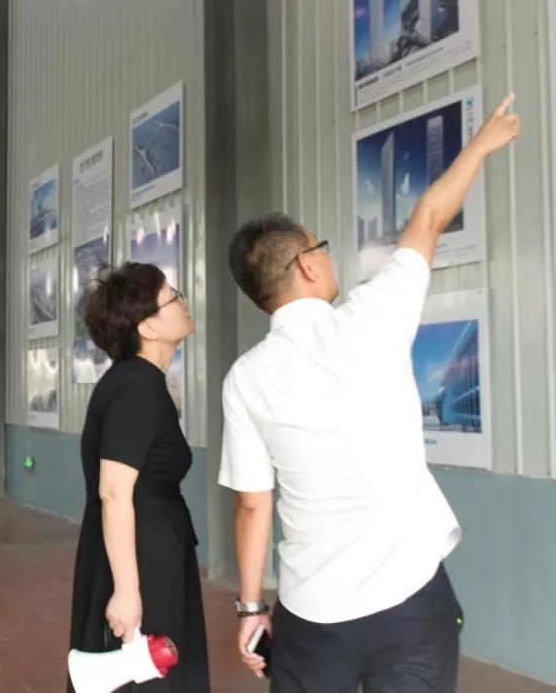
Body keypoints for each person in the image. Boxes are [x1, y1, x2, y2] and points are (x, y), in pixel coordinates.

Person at [219, 95, 520, 692]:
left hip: (311, 614)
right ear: (307, 266)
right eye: (321, 248)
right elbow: (428, 218)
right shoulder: (372, 317)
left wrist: (251, 609)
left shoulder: (245, 378)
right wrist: (482, 145)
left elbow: (254, 506)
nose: (327, 259)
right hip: (409, 602)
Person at [67, 263, 210, 693]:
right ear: (148, 326)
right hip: (140, 558)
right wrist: (128, 590)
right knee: (145, 677)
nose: (183, 302)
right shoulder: (137, 388)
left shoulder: (138, 381)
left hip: (145, 548)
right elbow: (113, 491)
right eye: (174, 297)